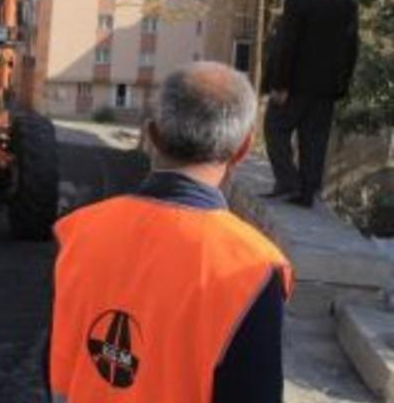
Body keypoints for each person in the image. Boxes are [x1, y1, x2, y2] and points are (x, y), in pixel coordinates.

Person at [48, 62, 293, 403]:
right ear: (242, 149)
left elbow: (55, 363)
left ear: (152, 135)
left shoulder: (78, 232)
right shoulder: (253, 269)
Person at [263, 0, 359, 207]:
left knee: (275, 126)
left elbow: (288, 45)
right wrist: (342, 86)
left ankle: (288, 182)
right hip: (327, 88)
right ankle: (307, 193)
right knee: (315, 139)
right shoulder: (347, 4)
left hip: (295, 85)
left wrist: (280, 85)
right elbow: (351, 50)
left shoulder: (297, 0)